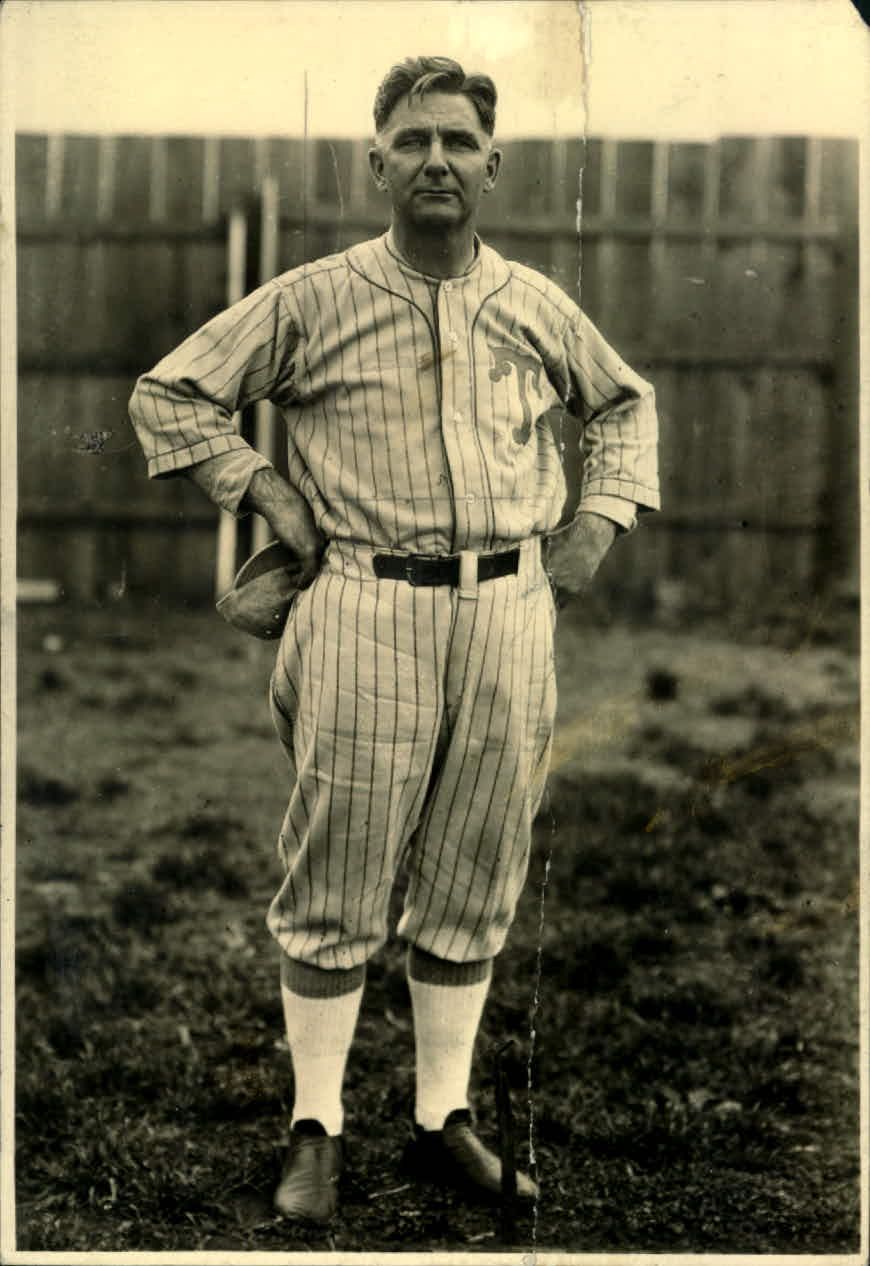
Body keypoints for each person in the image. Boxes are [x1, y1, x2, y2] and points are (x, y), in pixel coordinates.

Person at [128, 55, 660, 1226]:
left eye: (458, 142)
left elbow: (623, 403)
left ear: (492, 165)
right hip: (366, 603)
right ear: (376, 162)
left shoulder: (531, 303)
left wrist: (595, 529)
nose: (436, 160)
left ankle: (441, 1121)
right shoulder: (314, 297)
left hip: (512, 611)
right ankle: (316, 1125)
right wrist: (264, 490)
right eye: (413, 140)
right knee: (341, 870)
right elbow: (170, 394)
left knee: (475, 873)